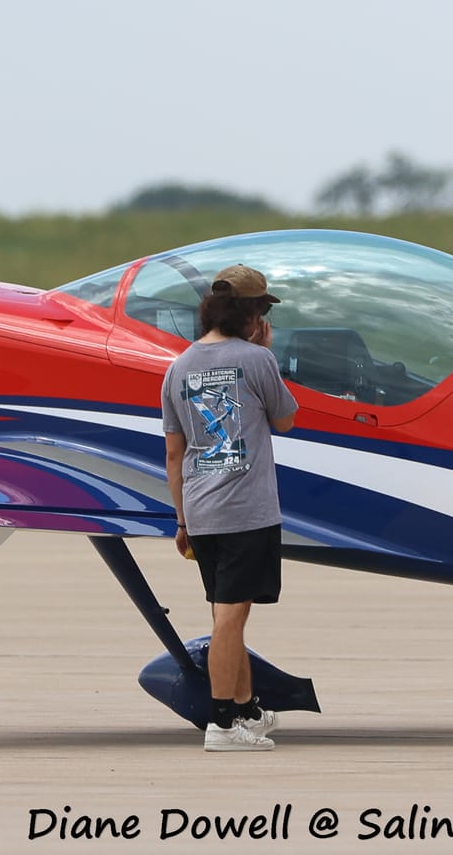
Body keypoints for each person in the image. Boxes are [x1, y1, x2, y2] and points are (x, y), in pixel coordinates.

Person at [160, 264, 300, 752]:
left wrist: (181, 519)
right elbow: (286, 419)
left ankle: (246, 709)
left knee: (229, 615)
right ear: (252, 315)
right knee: (229, 618)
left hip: (201, 511)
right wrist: (265, 353)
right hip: (246, 510)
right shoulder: (257, 360)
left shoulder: (178, 367)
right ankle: (221, 724)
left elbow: (173, 453)